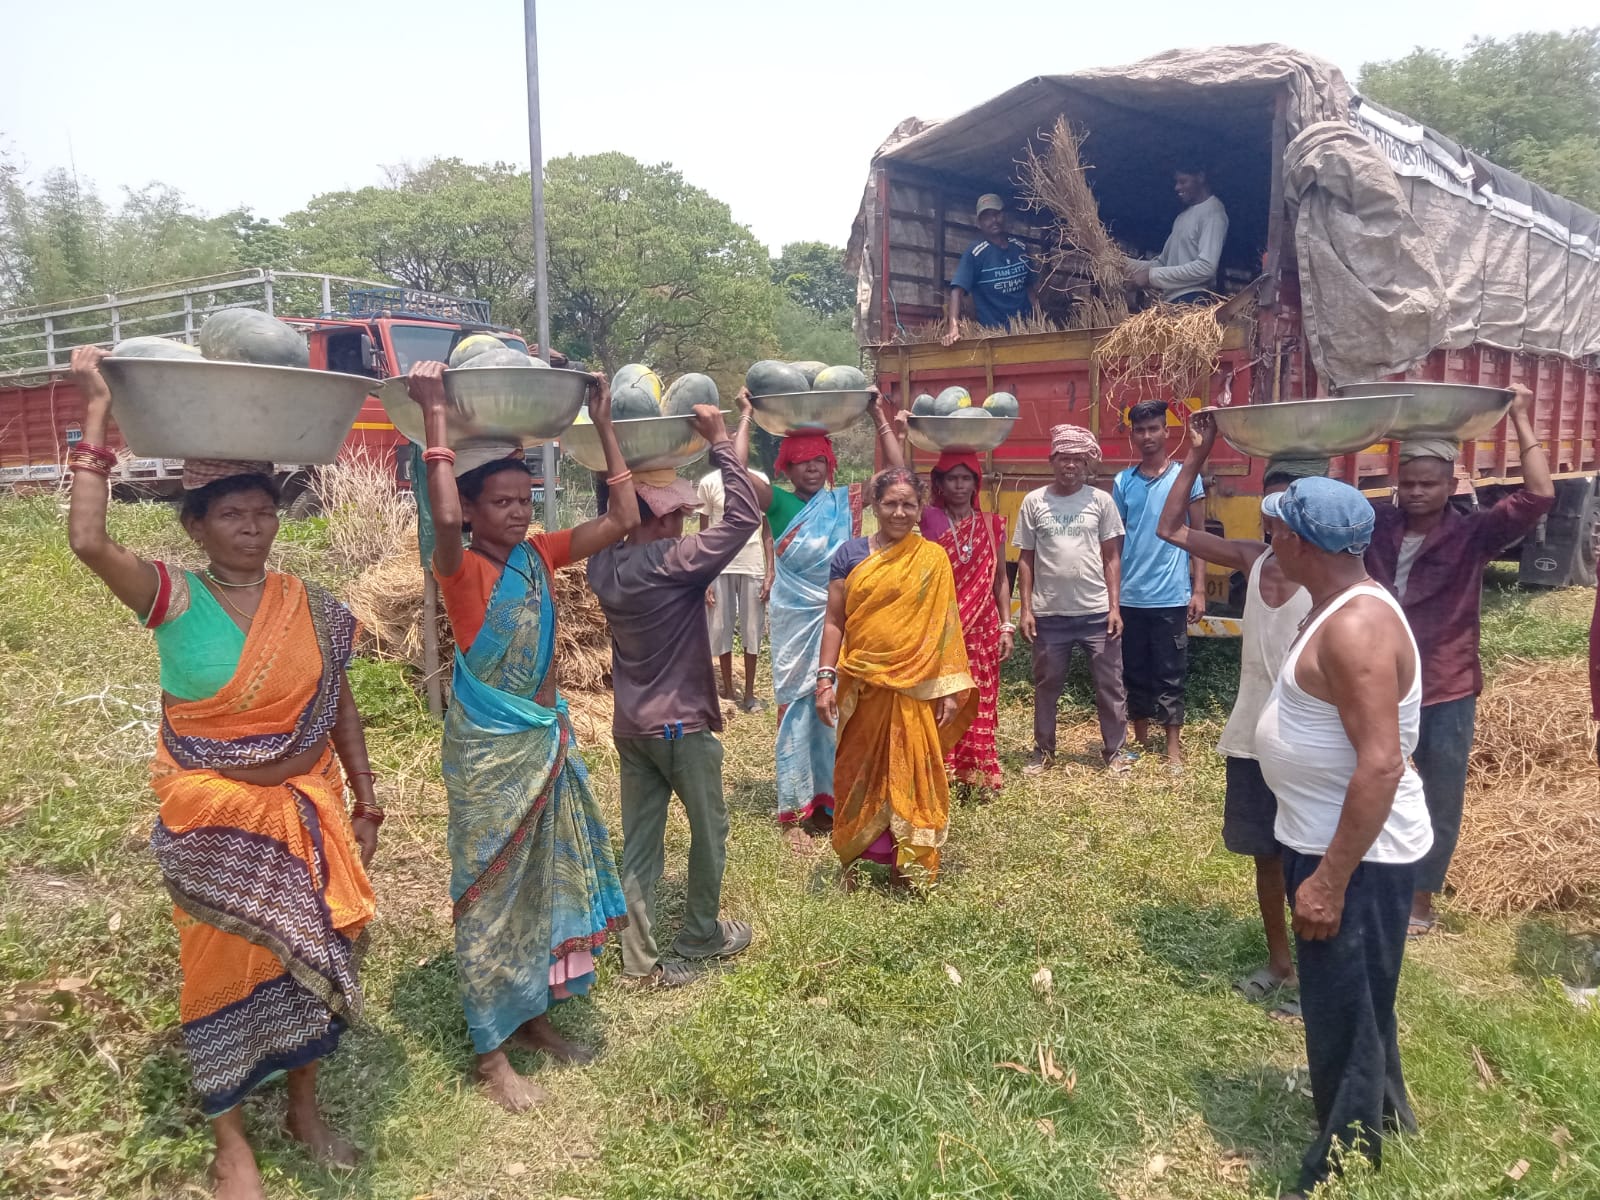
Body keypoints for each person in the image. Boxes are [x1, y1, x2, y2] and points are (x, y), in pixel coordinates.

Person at [64, 346, 377, 1200]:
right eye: (231, 514)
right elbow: (87, 539)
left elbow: (339, 705)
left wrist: (367, 799)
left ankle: (304, 1109)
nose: (252, 527)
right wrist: (97, 414)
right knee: (216, 968)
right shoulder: (170, 596)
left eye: (263, 512)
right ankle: (229, 1138)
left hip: (306, 811)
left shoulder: (312, 607)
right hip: (210, 818)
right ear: (195, 526)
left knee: (313, 954)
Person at [406, 361, 636, 1111]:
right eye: (499, 502)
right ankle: (489, 1052)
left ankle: (534, 1016)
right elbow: (442, 521)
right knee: (489, 895)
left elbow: (622, 519)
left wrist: (603, 423)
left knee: (539, 883)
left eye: (524, 499)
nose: (515, 512)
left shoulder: (539, 556)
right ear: (471, 508)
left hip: (544, 742)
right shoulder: (458, 565)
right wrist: (435, 414)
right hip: (489, 752)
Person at [1252, 476, 1433, 1198]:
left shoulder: (1357, 627)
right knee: (1362, 997)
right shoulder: (1333, 604)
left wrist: (1328, 880)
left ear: (1300, 542)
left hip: (1355, 857)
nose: (1269, 540)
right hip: (1330, 840)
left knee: (1342, 1013)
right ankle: (1389, 1114)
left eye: (1276, 529)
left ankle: (1341, 1161)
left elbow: (1382, 762)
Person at [1363, 387, 1553, 936]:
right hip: (1378, 681)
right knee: (1370, 779)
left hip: (1445, 684)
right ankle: (1369, 877)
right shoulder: (1377, 525)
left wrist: (1520, 417)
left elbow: (1539, 495)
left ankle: (1420, 900)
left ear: (1451, 486)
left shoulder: (1473, 533)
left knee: (1439, 792)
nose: (1417, 493)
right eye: (1408, 483)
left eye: (1429, 484)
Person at [587, 397, 761, 988]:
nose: (683, 521)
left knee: (640, 845)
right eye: (676, 513)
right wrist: (720, 440)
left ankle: (638, 962)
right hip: (681, 727)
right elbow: (743, 517)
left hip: (632, 726)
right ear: (657, 519)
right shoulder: (672, 560)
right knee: (710, 832)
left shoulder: (604, 565)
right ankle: (701, 934)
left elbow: (610, 506)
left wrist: (606, 433)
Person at [1156, 413, 1327, 1000]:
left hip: (1310, 742)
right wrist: (1197, 453)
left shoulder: (1332, 580)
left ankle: (1317, 979)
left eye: (1291, 504)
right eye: (1271, 504)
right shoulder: (1253, 560)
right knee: (1266, 858)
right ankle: (1281, 964)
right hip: (1253, 736)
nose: (1277, 516)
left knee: (1312, 860)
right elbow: (1170, 528)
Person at [748, 391, 906, 849]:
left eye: (819, 459)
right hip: (794, 620)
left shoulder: (845, 501)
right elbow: (737, 475)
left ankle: (835, 803)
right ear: (786, 468)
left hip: (842, 616)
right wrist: (744, 418)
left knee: (838, 706)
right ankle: (796, 810)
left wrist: (878, 417)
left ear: (830, 463)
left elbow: (898, 477)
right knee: (796, 710)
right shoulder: (778, 503)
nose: (811, 469)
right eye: (801, 462)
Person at [817, 468, 976, 885]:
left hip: (914, 689)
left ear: (921, 508)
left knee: (913, 774)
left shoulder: (932, 559)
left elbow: (945, 628)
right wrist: (824, 679)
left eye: (909, 504)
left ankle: (909, 868)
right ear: (874, 505)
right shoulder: (850, 555)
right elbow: (834, 622)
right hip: (862, 686)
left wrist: (947, 690)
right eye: (890, 503)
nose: (899, 512)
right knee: (855, 772)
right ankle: (852, 860)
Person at [1014, 424, 1133, 773]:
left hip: (1097, 613)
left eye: (1078, 459)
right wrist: (1026, 609)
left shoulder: (1101, 501)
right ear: (1052, 460)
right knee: (1047, 686)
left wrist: (1115, 608)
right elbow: (1026, 559)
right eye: (1064, 458)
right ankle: (1043, 752)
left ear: (1087, 464)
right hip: (1050, 614)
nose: (1070, 465)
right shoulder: (1034, 501)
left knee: (1111, 685)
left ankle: (1115, 753)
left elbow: (1112, 557)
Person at [914, 445, 1013, 799]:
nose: (959, 485)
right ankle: (941, 773)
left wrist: (1006, 626)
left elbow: (1001, 579)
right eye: (952, 478)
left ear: (976, 483)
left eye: (966, 478)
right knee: (941, 696)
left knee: (979, 698)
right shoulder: (927, 519)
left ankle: (978, 774)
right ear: (939, 483)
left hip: (982, 629)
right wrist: (891, 428)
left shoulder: (991, 524)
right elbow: (899, 476)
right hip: (939, 627)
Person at [1112, 398, 1206, 767]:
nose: (1147, 436)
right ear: (1133, 436)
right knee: (1133, 670)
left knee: (1170, 673)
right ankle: (1139, 740)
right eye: (1140, 430)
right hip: (1131, 597)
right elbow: (1115, 544)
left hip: (1171, 597)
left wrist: (1199, 589)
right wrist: (1113, 598)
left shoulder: (1186, 478)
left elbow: (1199, 537)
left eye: (1154, 428)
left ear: (1167, 432)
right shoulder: (1123, 482)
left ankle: (1172, 750)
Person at [698, 464, 774, 711]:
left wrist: (770, 570)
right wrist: (705, 575)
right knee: (721, 628)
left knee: (752, 629)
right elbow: (704, 534)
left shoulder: (759, 480)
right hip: (720, 565)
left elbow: (767, 530)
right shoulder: (709, 483)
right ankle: (728, 690)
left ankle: (749, 694)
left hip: (752, 564)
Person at [942, 193, 1040, 344]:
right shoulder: (976, 253)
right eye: (986, 217)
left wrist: (1039, 323)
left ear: (1004, 215)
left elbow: (1030, 290)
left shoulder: (1020, 248)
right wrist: (953, 328)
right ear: (979, 223)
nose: (993, 220)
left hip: (1026, 332)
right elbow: (957, 291)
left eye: (996, 214)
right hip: (993, 336)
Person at [1125, 162, 1229, 304]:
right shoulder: (1182, 217)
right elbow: (1163, 264)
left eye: (1183, 181)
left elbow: (1207, 267)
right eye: (1176, 182)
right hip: (1172, 302)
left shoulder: (1213, 213)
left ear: (1200, 177)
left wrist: (1151, 276)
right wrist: (1121, 263)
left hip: (1193, 301)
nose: (1177, 187)